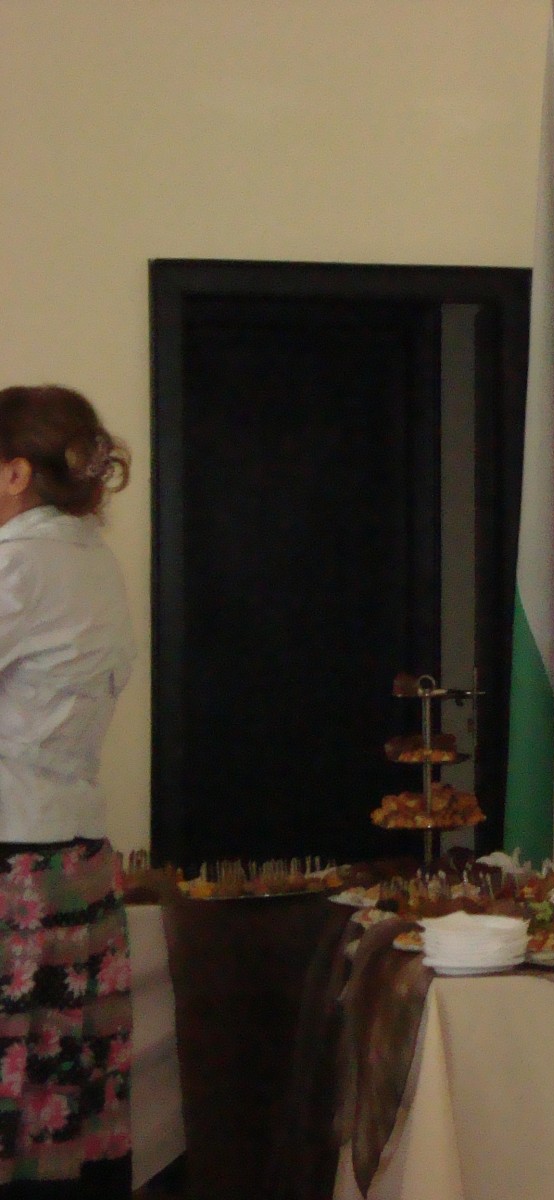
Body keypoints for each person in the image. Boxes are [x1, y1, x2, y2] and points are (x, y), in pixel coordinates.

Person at [0, 387, 137, 1200]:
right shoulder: (91, 557)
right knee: (67, 1110)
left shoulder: (18, 562)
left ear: (16, 472)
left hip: (12, 867)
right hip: (76, 863)